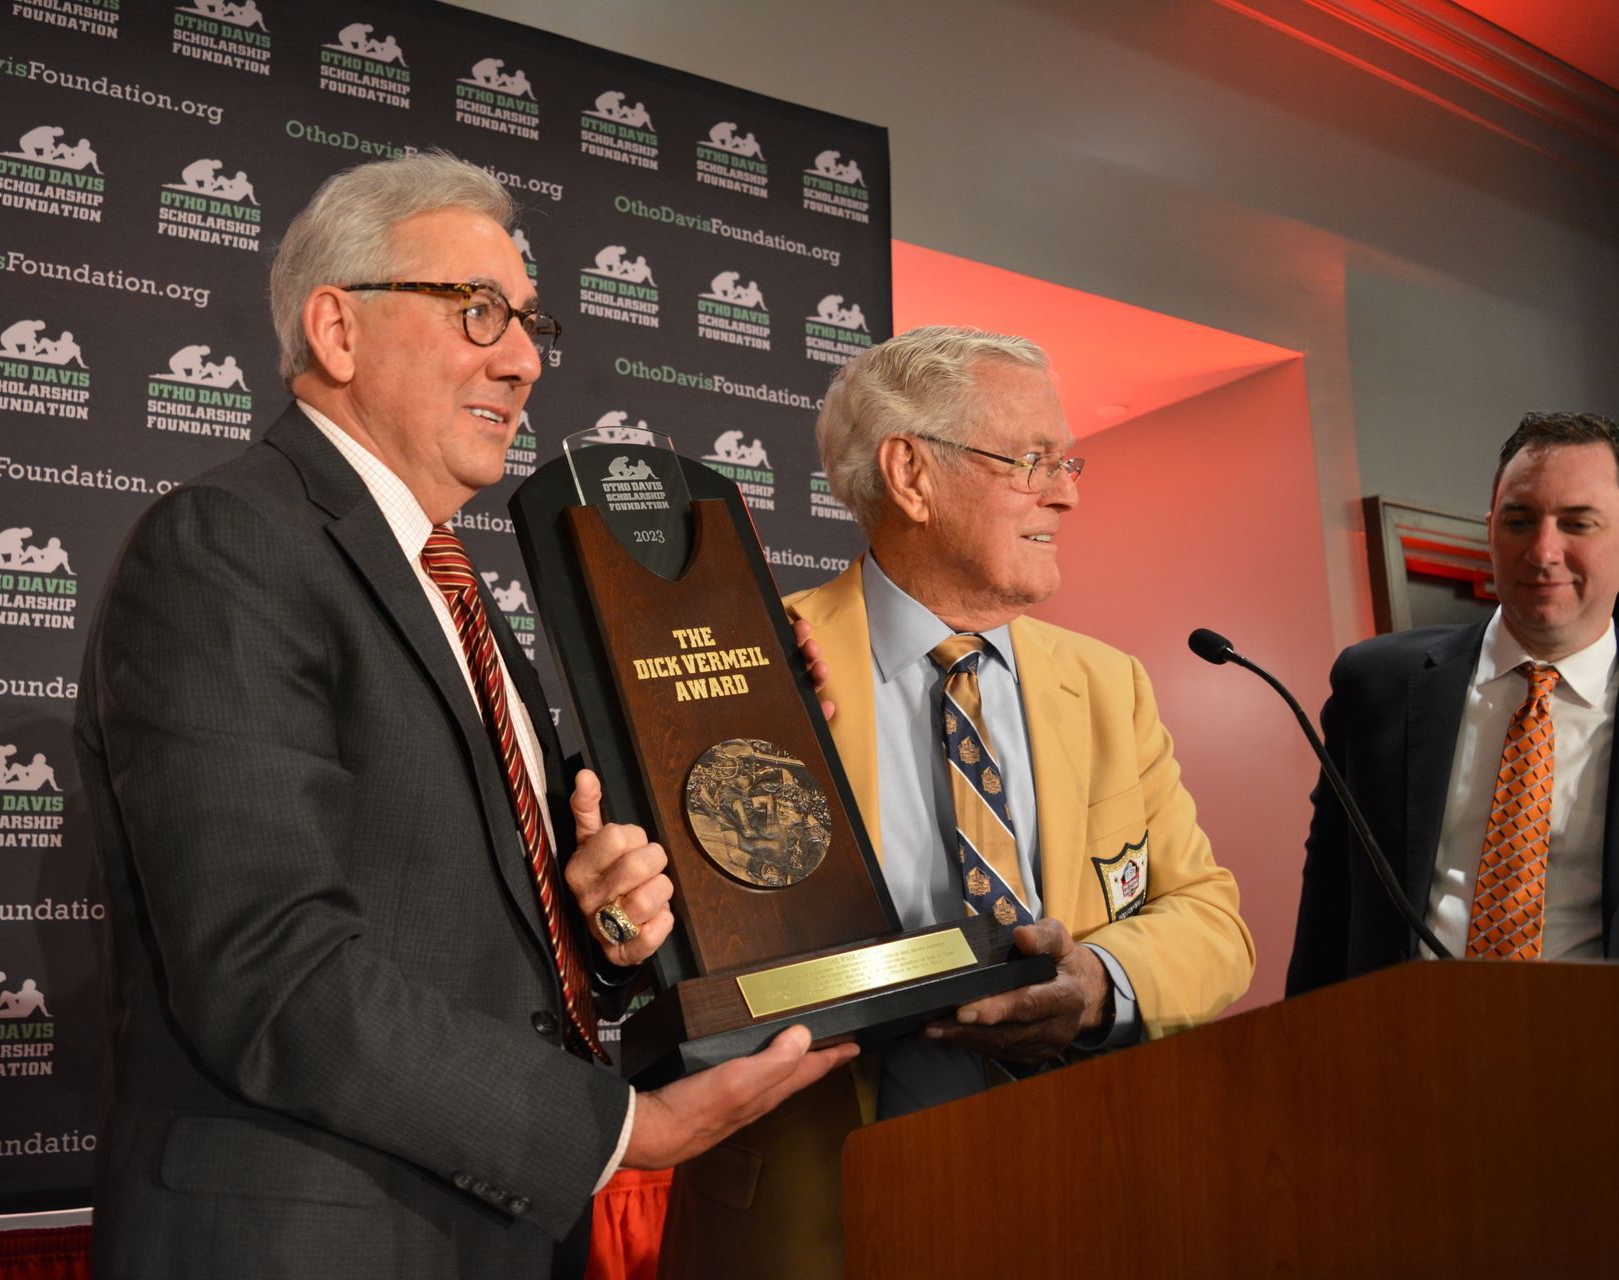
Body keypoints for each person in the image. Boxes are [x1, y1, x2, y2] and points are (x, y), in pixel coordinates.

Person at [73, 152, 854, 1280]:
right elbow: (269, 968)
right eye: (478, 311)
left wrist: (608, 930)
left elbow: (472, 933)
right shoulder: (227, 543)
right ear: (337, 330)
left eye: (531, 321)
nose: (527, 359)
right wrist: (624, 1130)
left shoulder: (452, 587)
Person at [658, 326, 1255, 1279]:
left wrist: (1098, 980)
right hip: (814, 1221)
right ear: (910, 474)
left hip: (1081, 1193)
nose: (1066, 491)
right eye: (1031, 460)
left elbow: (1212, 920)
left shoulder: (1110, 685)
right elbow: (667, 943)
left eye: (1068, 462)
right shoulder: (743, 660)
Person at [1289, 412, 1619, 992]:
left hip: (1593, 1061)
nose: (1543, 552)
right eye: (1520, 520)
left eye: (1577, 524)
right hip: (1407, 1054)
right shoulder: (1376, 684)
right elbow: (1327, 913)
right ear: (1490, 529)